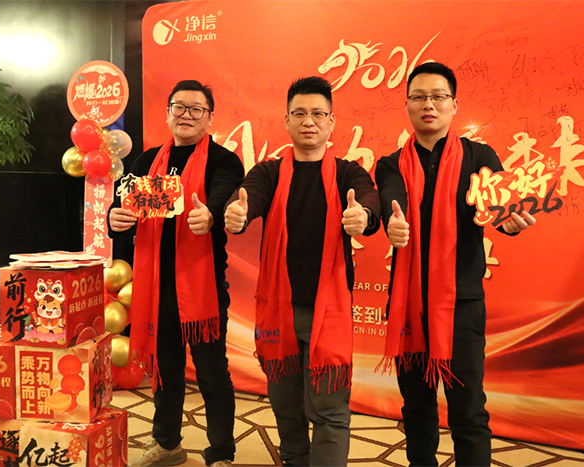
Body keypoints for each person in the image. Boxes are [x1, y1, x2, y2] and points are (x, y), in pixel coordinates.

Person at [375, 62, 536, 466]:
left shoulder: (480, 157)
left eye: (438, 96)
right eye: (419, 97)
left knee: (468, 410)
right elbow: (393, 198)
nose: (428, 105)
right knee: (416, 408)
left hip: (461, 304)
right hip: (409, 305)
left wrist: (509, 222)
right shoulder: (390, 164)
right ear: (407, 105)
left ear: (454, 104)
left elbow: (499, 205)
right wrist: (394, 221)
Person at [224, 76, 380, 467]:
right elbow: (248, 196)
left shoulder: (347, 174)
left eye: (317, 114)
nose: (308, 121)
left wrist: (364, 215)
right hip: (279, 312)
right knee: (285, 405)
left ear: (331, 122)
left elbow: (368, 198)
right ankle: (294, 459)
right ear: (287, 121)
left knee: (329, 408)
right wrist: (238, 212)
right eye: (299, 113)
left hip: (329, 313)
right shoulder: (269, 173)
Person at [108, 80, 243, 467]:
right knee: (165, 371)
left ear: (209, 117)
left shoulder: (223, 160)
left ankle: (221, 453)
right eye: (179, 107)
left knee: (212, 373)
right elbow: (124, 208)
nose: (187, 115)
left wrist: (210, 213)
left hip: (203, 287)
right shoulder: (147, 161)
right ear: (168, 113)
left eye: (196, 109)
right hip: (155, 287)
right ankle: (167, 444)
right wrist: (114, 219)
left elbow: (222, 193)